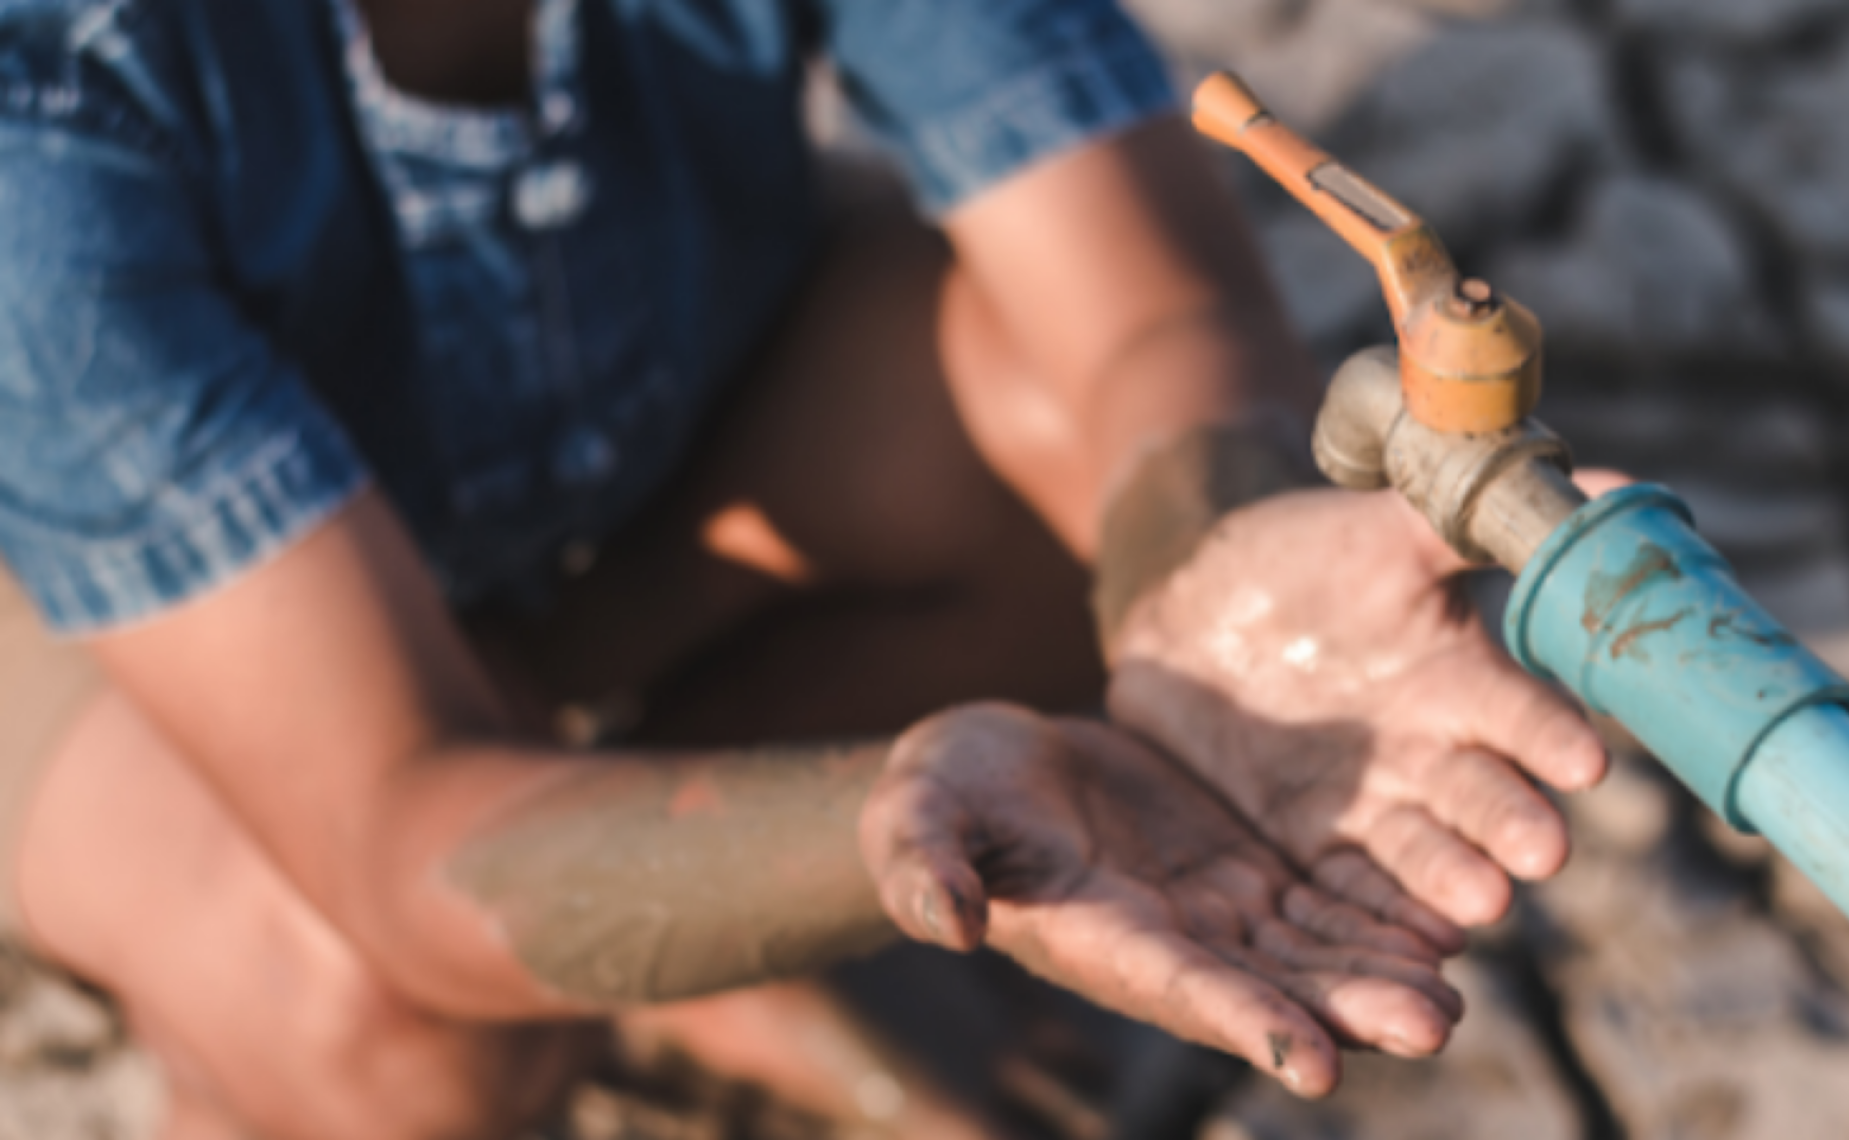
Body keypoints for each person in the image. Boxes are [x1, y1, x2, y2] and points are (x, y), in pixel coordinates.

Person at [0, 0, 1611, 1136]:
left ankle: (665, 923)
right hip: (122, 605)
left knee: (1070, 431)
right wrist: (877, 825)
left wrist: (1210, 576)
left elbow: (1145, 318)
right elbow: (399, 834)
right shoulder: (48, 87)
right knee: (371, 1019)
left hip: (614, 441)